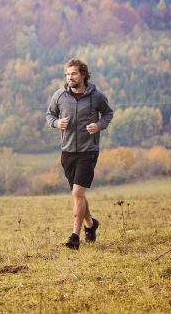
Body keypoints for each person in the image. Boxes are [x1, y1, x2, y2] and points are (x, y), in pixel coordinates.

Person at [46, 58, 113, 250]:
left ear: (83, 74)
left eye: (73, 74)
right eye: (67, 74)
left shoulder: (96, 96)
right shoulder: (59, 96)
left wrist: (99, 125)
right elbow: (49, 115)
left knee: (77, 192)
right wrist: (56, 123)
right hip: (67, 151)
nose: (70, 77)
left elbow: (108, 114)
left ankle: (74, 237)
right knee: (79, 195)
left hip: (88, 151)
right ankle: (91, 224)